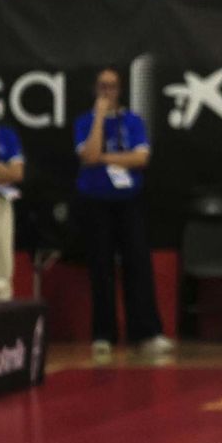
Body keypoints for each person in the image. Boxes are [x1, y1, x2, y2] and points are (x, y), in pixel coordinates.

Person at [74, 67, 172, 361]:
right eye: (102, 86)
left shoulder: (134, 121)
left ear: (120, 89)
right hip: (95, 201)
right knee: (100, 267)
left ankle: (146, 332)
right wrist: (99, 119)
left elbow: (141, 158)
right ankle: (103, 334)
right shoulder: (84, 122)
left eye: (112, 86)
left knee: (138, 265)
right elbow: (88, 155)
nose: (107, 91)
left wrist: (104, 158)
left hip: (129, 200)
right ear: (95, 89)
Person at [0, 83, 23, 302]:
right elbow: (5, 171)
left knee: (1, 265)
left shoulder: (7, 135)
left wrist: (3, 172)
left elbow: (17, 173)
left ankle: (0, 328)